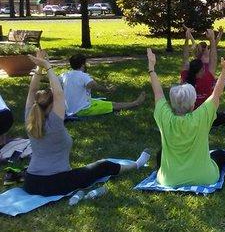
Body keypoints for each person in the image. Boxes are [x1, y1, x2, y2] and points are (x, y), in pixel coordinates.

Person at [23, 49, 150, 196]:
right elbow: (58, 94)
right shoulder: (56, 123)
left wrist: (40, 68)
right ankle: (136, 165)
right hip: (57, 183)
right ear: (54, 105)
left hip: (31, 183)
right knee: (103, 165)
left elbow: (32, 92)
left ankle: (135, 164)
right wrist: (47, 65)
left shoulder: (29, 118)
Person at [149, 48, 225, 185]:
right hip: (204, 177)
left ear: (172, 104)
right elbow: (217, 93)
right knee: (218, 155)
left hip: (168, 180)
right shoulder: (201, 115)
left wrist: (151, 67)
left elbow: (158, 93)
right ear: (192, 105)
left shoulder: (164, 116)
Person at [60, 54, 145, 117]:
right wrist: (108, 89)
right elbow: (93, 85)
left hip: (68, 109)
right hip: (81, 110)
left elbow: (52, 80)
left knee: (101, 102)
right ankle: (135, 103)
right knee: (113, 105)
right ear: (82, 65)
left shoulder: (65, 75)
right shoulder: (83, 76)